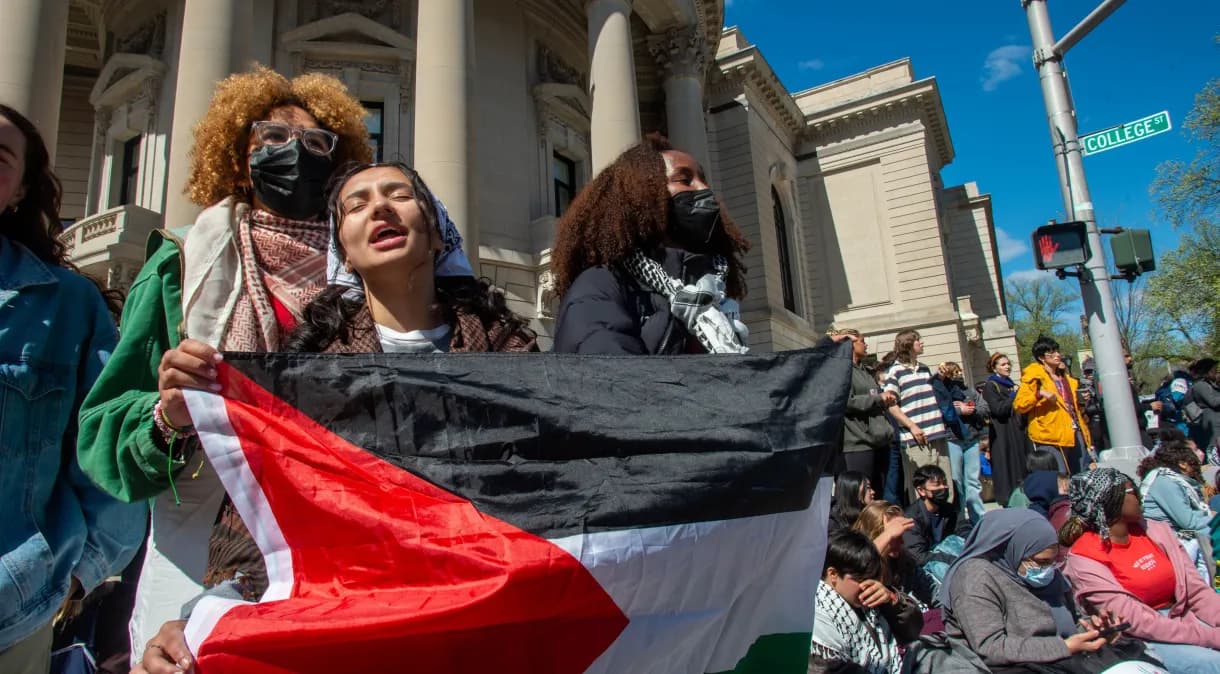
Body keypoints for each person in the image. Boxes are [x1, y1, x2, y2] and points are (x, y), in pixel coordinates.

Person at [134, 161, 540, 674]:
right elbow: (262, 529)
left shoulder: (516, 357)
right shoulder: (303, 376)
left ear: (437, 232)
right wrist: (205, 621)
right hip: (357, 627)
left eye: (399, 194)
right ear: (342, 251)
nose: (381, 208)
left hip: (485, 625)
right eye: (357, 204)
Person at [75, 65, 373, 661]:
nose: (296, 154)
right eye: (273, 139)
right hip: (199, 543)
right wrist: (166, 416)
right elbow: (101, 434)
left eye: (316, 143)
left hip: (343, 540)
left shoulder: (366, 274)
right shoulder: (179, 265)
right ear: (239, 158)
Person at [0, 105, 147, 673]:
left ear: (19, 190)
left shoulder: (67, 305)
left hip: (12, 612)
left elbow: (108, 448)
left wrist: (77, 575)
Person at [550, 134, 750, 355]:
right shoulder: (600, 285)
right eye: (684, 180)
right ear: (642, 195)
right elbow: (612, 378)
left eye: (703, 179)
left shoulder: (715, 293)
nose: (704, 189)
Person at [941, 509, 1147, 673]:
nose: (1048, 569)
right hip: (1014, 666)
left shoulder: (1049, 575)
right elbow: (990, 647)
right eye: (1041, 562)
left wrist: (1095, 632)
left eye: (1053, 561)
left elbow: (1071, 623)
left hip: (1066, 659)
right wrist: (1064, 648)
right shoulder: (975, 578)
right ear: (1012, 550)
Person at [1061, 468, 1220, 672]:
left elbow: (1197, 590)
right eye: (1132, 491)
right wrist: (1210, 636)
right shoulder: (1084, 558)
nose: (1139, 496)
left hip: (1184, 617)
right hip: (1143, 639)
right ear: (1110, 501)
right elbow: (1135, 620)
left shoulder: (1155, 530)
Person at [810, 530, 921, 674]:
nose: (867, 586)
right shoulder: (817, 616)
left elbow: (913, 629)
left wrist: (894, 601)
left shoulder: (876, 600)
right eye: (861, 580)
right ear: (833, 574)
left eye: (873, 578)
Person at [882, 330, 950, 503]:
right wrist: (912, 426)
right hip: (916, 439)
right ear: (908, 345)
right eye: (918, 340)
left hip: (937, 434)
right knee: (923, 488)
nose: (922, 343)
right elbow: (892, 406)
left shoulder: (925, 369)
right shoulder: (895, 372)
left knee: (944, 484)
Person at [1137, 440, 1215, 585]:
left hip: (1183, 538)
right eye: (1194, 454)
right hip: (1172, 542)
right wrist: (1211, 517)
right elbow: (1189, 522)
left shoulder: (1175, 481)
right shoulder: (1165, 482)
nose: (1200, 456)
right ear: (1182, 464)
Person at [1014, 335, 1092, 475]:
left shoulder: (1068, 379)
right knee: (1059, 476)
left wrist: (1081, 401)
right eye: (1051, 352)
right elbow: (1019, 405)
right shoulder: (1034, 377)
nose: (1057, 355)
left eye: (1057, 351)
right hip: (1049, 433)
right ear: (1042, 357)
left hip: (1073, 430)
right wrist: (1039, 394)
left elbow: (1071, 406)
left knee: (1081, 473)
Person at [834, 328, 897, 479]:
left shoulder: (866, 371)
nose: (866, 345)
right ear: (850, 345)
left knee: (879, 493)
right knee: (861, 493)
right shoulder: (841, 370)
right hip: (857, 443)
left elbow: (873, 396)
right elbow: (846, 402)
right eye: (862, 341)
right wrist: (878, 399)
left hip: (878, 439)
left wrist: (884, 399)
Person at [931, 362, 988, 524]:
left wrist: (972, 408)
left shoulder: (969, 391)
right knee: (956, 481)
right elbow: (940, 410)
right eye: (954, 372)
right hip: (952, 439)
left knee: (973, 481)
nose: (958, 375)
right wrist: (958, 410)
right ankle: (960, 519)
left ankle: (979, 518)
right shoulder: (942, 391)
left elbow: (985, 408)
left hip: (971, 439)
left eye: (959, 371)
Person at [855, 502, 936, 608]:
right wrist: (887, 535)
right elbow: (857, 568)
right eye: (895, 537)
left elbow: (933, 593)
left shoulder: (904, 562)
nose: (902, 542)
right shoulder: (856, 566)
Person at [902, 465, 972, 583]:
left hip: (948, 556)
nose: (943, 488)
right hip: (928, 568)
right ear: (921, 490)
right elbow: (917, 556)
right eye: (937, 485)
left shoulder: (949, 509)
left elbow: (963, 528)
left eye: (944, 483)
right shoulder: (911, 518)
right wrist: (949, 558)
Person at [983, 352, 1033, 506]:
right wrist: (1012, 397)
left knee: (1021, 462)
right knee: (1007, 463)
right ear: (994, 368)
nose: (1007, 367)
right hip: (1002, 432)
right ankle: (1008, 498)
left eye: (1008, 364)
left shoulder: (1012, 385)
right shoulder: (991, 385)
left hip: (1018, 429)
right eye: (1003, 364)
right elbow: (998, 409)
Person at [1185, 358, 1220, 456]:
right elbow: (1213, 402)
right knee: (1215, 446)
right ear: (1207, 370)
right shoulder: (1200, 385)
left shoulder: (1210, 384)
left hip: (1215, 419)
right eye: (1214, 369)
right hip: (1211, 421)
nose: (1216, 371)